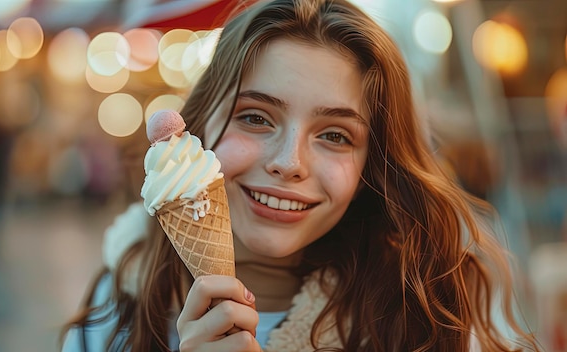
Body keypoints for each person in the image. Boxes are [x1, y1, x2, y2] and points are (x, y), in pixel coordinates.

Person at [61, 0, 540, 350]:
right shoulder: (117, 308)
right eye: (255, 117)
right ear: (200, 124)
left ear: (371, 165)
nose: (289, 162)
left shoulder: (435, 321)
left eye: (335, 135)